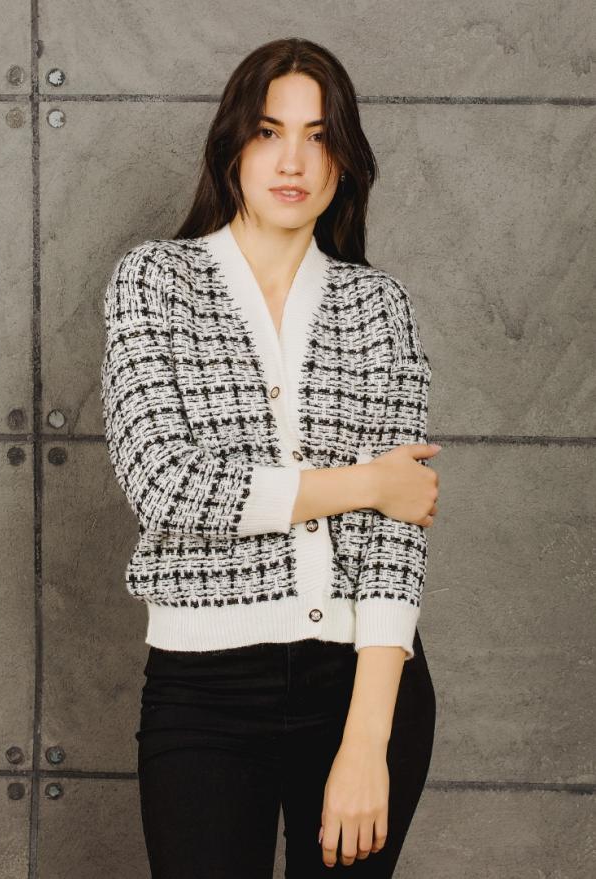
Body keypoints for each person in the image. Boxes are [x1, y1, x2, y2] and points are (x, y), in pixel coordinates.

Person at [100, 37, 440, 879]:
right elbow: (166, 485)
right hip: (204, 689)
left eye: (318, 137)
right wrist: (366, 483)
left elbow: (394, 541)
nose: (293, 161)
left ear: (343, 159)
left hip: (363, 685)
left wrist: (366, 743)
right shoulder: (157, 281)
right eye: (268, 132)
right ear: (232, 148)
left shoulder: (377, 305)